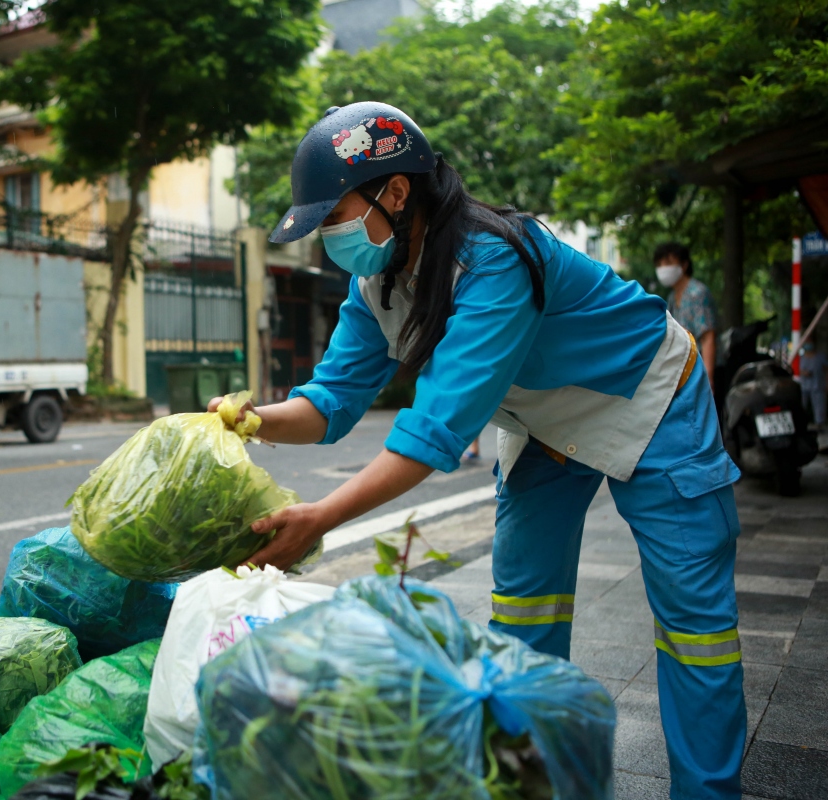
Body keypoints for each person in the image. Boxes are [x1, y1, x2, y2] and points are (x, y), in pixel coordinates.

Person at [211, 102, 745, 800]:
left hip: (646, 400)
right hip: (544, 424)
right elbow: (332, 399)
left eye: (334, 216)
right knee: (522, 617)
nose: (328, 238)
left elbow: (433, 430)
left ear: (395, 193)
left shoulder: (494, 258)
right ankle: (535, 784)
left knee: (693, 627)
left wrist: (322, 518)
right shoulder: (376, 281)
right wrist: (249, 422)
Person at [655, 242, 717, 391]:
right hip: (686, 373)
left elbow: (708, 337)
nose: (663, 268)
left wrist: (709, 378)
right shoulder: (671, 297)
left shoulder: (697, 293)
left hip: (703, 371)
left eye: (668, 263)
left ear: (684, 265)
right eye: (660, 264)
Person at [801, 340, 826, 429]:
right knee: (802, 405)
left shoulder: (820, 357)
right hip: (804, 386)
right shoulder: (801, 358)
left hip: (818, 385)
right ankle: (802, 423)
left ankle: (820, 424)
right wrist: (804, 373)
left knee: (819, 406)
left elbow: (825, 369)